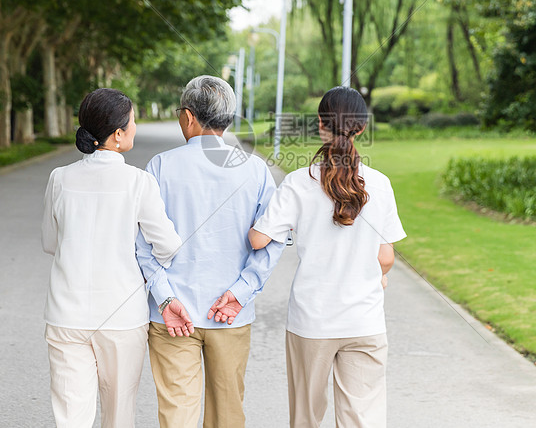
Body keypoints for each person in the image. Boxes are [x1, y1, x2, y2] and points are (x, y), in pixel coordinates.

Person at [249, 86, 407, 428]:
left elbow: (259, 240)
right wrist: (378, 274)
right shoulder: (380, 184)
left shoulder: (297, 183)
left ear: (320, 124)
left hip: (312, 320)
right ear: (362, 128)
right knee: (362, 419)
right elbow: (386, 257)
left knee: (306, 418)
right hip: (364, 321)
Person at [136, 75, 285, 428]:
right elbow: (272, 238)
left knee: (177, 414)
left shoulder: (159, 167)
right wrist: (242, 291)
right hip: (231, 313)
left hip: (172, 314)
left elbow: (142, 244)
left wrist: (164, 296)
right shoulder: (256, 169)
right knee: (228, 415)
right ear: (228, 118)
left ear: (188, 117)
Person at [41, 88, 185, 428]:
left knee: (70, 417)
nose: (135, 127)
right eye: (133, 121)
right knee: (119, 416)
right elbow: (168, 246)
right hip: (122, 317)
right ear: (118, 134)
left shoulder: (59, 178)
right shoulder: (139, 182)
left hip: (66, 315)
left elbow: (50, 242)